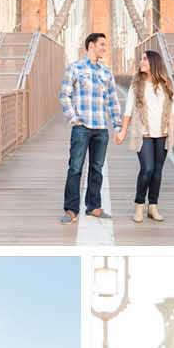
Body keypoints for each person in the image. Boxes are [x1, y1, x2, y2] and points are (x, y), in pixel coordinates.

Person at [59, 30, 122, 224]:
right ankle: (71, 210)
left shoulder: (106, 73)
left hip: (101, 128)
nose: (105, 48)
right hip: (82, 127)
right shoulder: (74, 68)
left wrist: (117, 126)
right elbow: (64, 96)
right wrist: (74, 118)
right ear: (91, 46)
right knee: (75, 168)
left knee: (97, 168)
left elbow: (113, 100)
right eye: (102, 44)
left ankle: (93, 206)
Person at [117, 43, 174, 225]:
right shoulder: (137, 85)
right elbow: (128, 110)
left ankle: (153, 207)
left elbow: (173, 110)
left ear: (153, 62)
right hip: (144, 133)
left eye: (144, 59)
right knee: (147, 169)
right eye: (141, 59)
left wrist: (172, 133)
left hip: (163, 134)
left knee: (157, 172)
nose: (141, 61)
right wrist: (123, 131)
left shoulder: (166, 85)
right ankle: (139, 204)